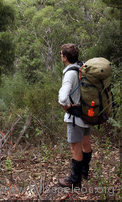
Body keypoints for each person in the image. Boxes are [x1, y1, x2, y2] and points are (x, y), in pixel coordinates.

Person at [58, 43, 92, 188]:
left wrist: (65, 105)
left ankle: (75, 179)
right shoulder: (81, 68)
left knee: (75, 148)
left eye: (61, 54)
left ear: (65, 57)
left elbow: (62, 97)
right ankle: (84, 171)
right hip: (87, 114)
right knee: (86, 142)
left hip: (75, 118)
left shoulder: (69, 74)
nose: (60, 56)